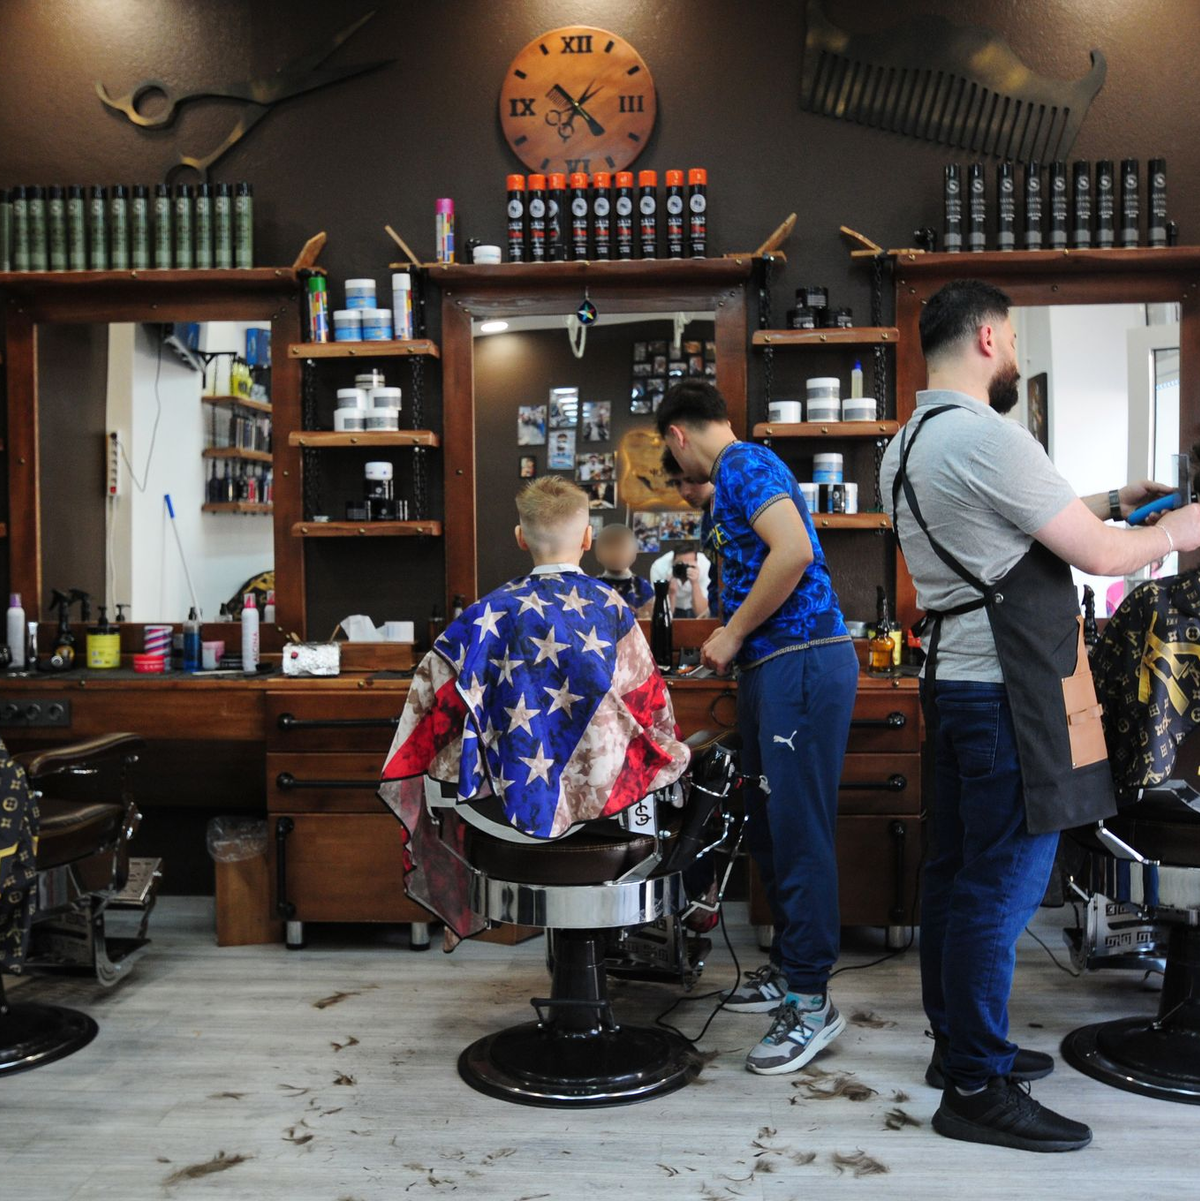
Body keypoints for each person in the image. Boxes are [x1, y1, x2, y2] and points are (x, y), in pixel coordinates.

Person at [878, 278, 1200, 1153]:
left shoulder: (907, 443)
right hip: (1010, 696)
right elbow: (1096, 559)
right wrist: (1180, 530)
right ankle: (978, 1087)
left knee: (953, 874)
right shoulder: (991, 436)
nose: (1016, 352)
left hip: (956, 684)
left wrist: (1118, 497)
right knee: (1001, 888)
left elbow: (1020, 531)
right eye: (1015, 337)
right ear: (988, 337)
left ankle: (960, 1051)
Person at [378, 476, 689, 939]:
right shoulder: (611, 609)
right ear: (587, 539)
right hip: (603, 807)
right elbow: (652, 712)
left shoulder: (484, 616)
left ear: (520, 538)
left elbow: (431, 708)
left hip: (502, 808)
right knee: (697, 767)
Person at [657, 379, 859, 1076]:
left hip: (802, 660)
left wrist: (732, 631)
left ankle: (810, 1002)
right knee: (770, 826)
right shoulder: (737, 476)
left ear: (678, 435)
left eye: (671, 454)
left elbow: (794, 550)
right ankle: (786, 970)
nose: (678, 472)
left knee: (800, 832)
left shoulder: (742, 464)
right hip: (778, 666)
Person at [593, 522, 654, 615]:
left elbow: (648, 618)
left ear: (634, 551)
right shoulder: (592, 587)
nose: (616, 552)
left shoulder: (642, 586)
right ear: (598, 553)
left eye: (623, 547)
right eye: (610, 547)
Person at [649, 543, 711, 618]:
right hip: (673, 607)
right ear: (673, 561)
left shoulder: (705, 565)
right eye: (680, 565)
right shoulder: (659, 568)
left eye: (688, 566)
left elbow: (702, 613)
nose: (684, 570)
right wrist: (671, 593)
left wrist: (695, 583)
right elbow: (662, 616)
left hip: (694, 605)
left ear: (696, 562)